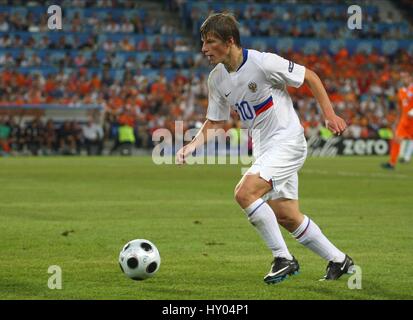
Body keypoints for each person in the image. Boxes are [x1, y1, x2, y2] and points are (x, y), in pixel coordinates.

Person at [176, 13, 354, 284]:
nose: (204, 49)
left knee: (244, 192)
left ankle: (283, 258)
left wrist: (329, 114)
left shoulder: (263, 62)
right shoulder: (216, 79)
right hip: (264, 148)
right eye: (203, 42)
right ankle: (339, 260)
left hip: (287, 141)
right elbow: (215, 121)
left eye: (210, 42)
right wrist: (192, 145)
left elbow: (311, 77)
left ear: (230, 41)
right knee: (286, 215)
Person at [382, 71, 413, 169]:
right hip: (404, 120)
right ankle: (392, 163)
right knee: (396, 139)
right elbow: (400, 108)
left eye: (406, 77)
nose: (404, 79)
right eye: (402, 78)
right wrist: (397, 120)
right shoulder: (401, 91)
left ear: (410, 78)